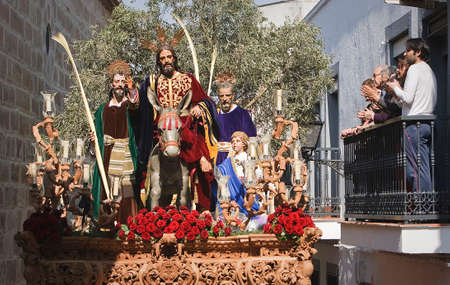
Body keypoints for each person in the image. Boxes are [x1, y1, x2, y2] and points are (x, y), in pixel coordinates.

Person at [139, 35, 221, 211]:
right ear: (158, 61)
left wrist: (199, 107)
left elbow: (207, 101)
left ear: (174, 59)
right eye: (162, 58)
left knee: (202, 164)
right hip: (162, 132)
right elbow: (143, 107)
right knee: (148, 163)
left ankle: (202, 210)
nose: (166, 61)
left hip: (186, 128)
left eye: (169, 57)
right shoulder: (153, 82)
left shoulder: (188, 79)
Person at [90, 60, 139, 224]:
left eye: (122, 81)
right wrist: (93, 141)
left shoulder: (130, 106)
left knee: (127, 192)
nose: (119, 85)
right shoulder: (101, 110)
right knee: (106, 190)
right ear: (111, 84)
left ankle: (128, 226)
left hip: (126, 156)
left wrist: (132, 91)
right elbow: (96, 137)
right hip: (107, 157)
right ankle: (105, 225)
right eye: (116, 81)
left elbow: (136, 105)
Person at [387, 38, 437, 192]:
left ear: (418, 52)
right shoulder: (429, 70)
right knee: (424, 166)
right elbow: (409, 102)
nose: (405, 53)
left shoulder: (415, 69)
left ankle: (422, 205)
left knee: (414, 169)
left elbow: (407, 98)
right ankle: (426, 204)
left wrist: (395, 87)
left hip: (414, 125)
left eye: (408, 50)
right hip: (426, 123)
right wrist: (397, 95)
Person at [214, 72, 257, 166]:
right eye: (222, 96)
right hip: (218, 159)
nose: (225, 99)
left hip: (237, 159)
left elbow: (251, 138)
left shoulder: (242, 114)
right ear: (218, 97)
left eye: (228, 95)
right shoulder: (215, 115)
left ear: (232, 96)